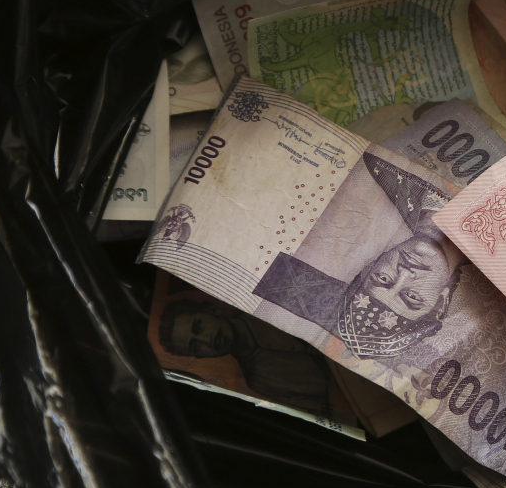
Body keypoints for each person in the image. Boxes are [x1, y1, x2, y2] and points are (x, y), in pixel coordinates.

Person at [255, 152, 464, 360]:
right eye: (412, 296)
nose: (404, 273)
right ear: (442, 302)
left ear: (371, 266)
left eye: (383, 278)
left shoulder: (384, 173)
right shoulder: (486, 259)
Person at [157, 298, 333, 415]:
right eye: (195, 346)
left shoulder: (264, 307)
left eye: (199, 327)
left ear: (212, 309)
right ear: (200, 357)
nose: (206, 340)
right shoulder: (259, 381)